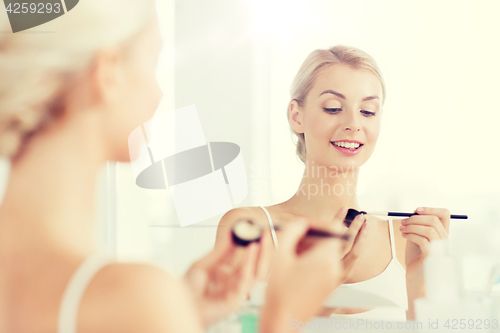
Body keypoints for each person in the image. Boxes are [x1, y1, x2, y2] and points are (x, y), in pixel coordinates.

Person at [0, 1, 346, 332]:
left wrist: (183, 317)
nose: (158, 94)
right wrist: (284, 315)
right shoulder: (136, 297)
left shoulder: (134, 302)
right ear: (108, 73)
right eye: (152, 63)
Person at [215, 45, 451, 321]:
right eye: (333, 108)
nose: (353, 123)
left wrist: (421, 286)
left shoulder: (406, 239)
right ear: (297, 116)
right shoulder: (251, 228)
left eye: (368, 111)